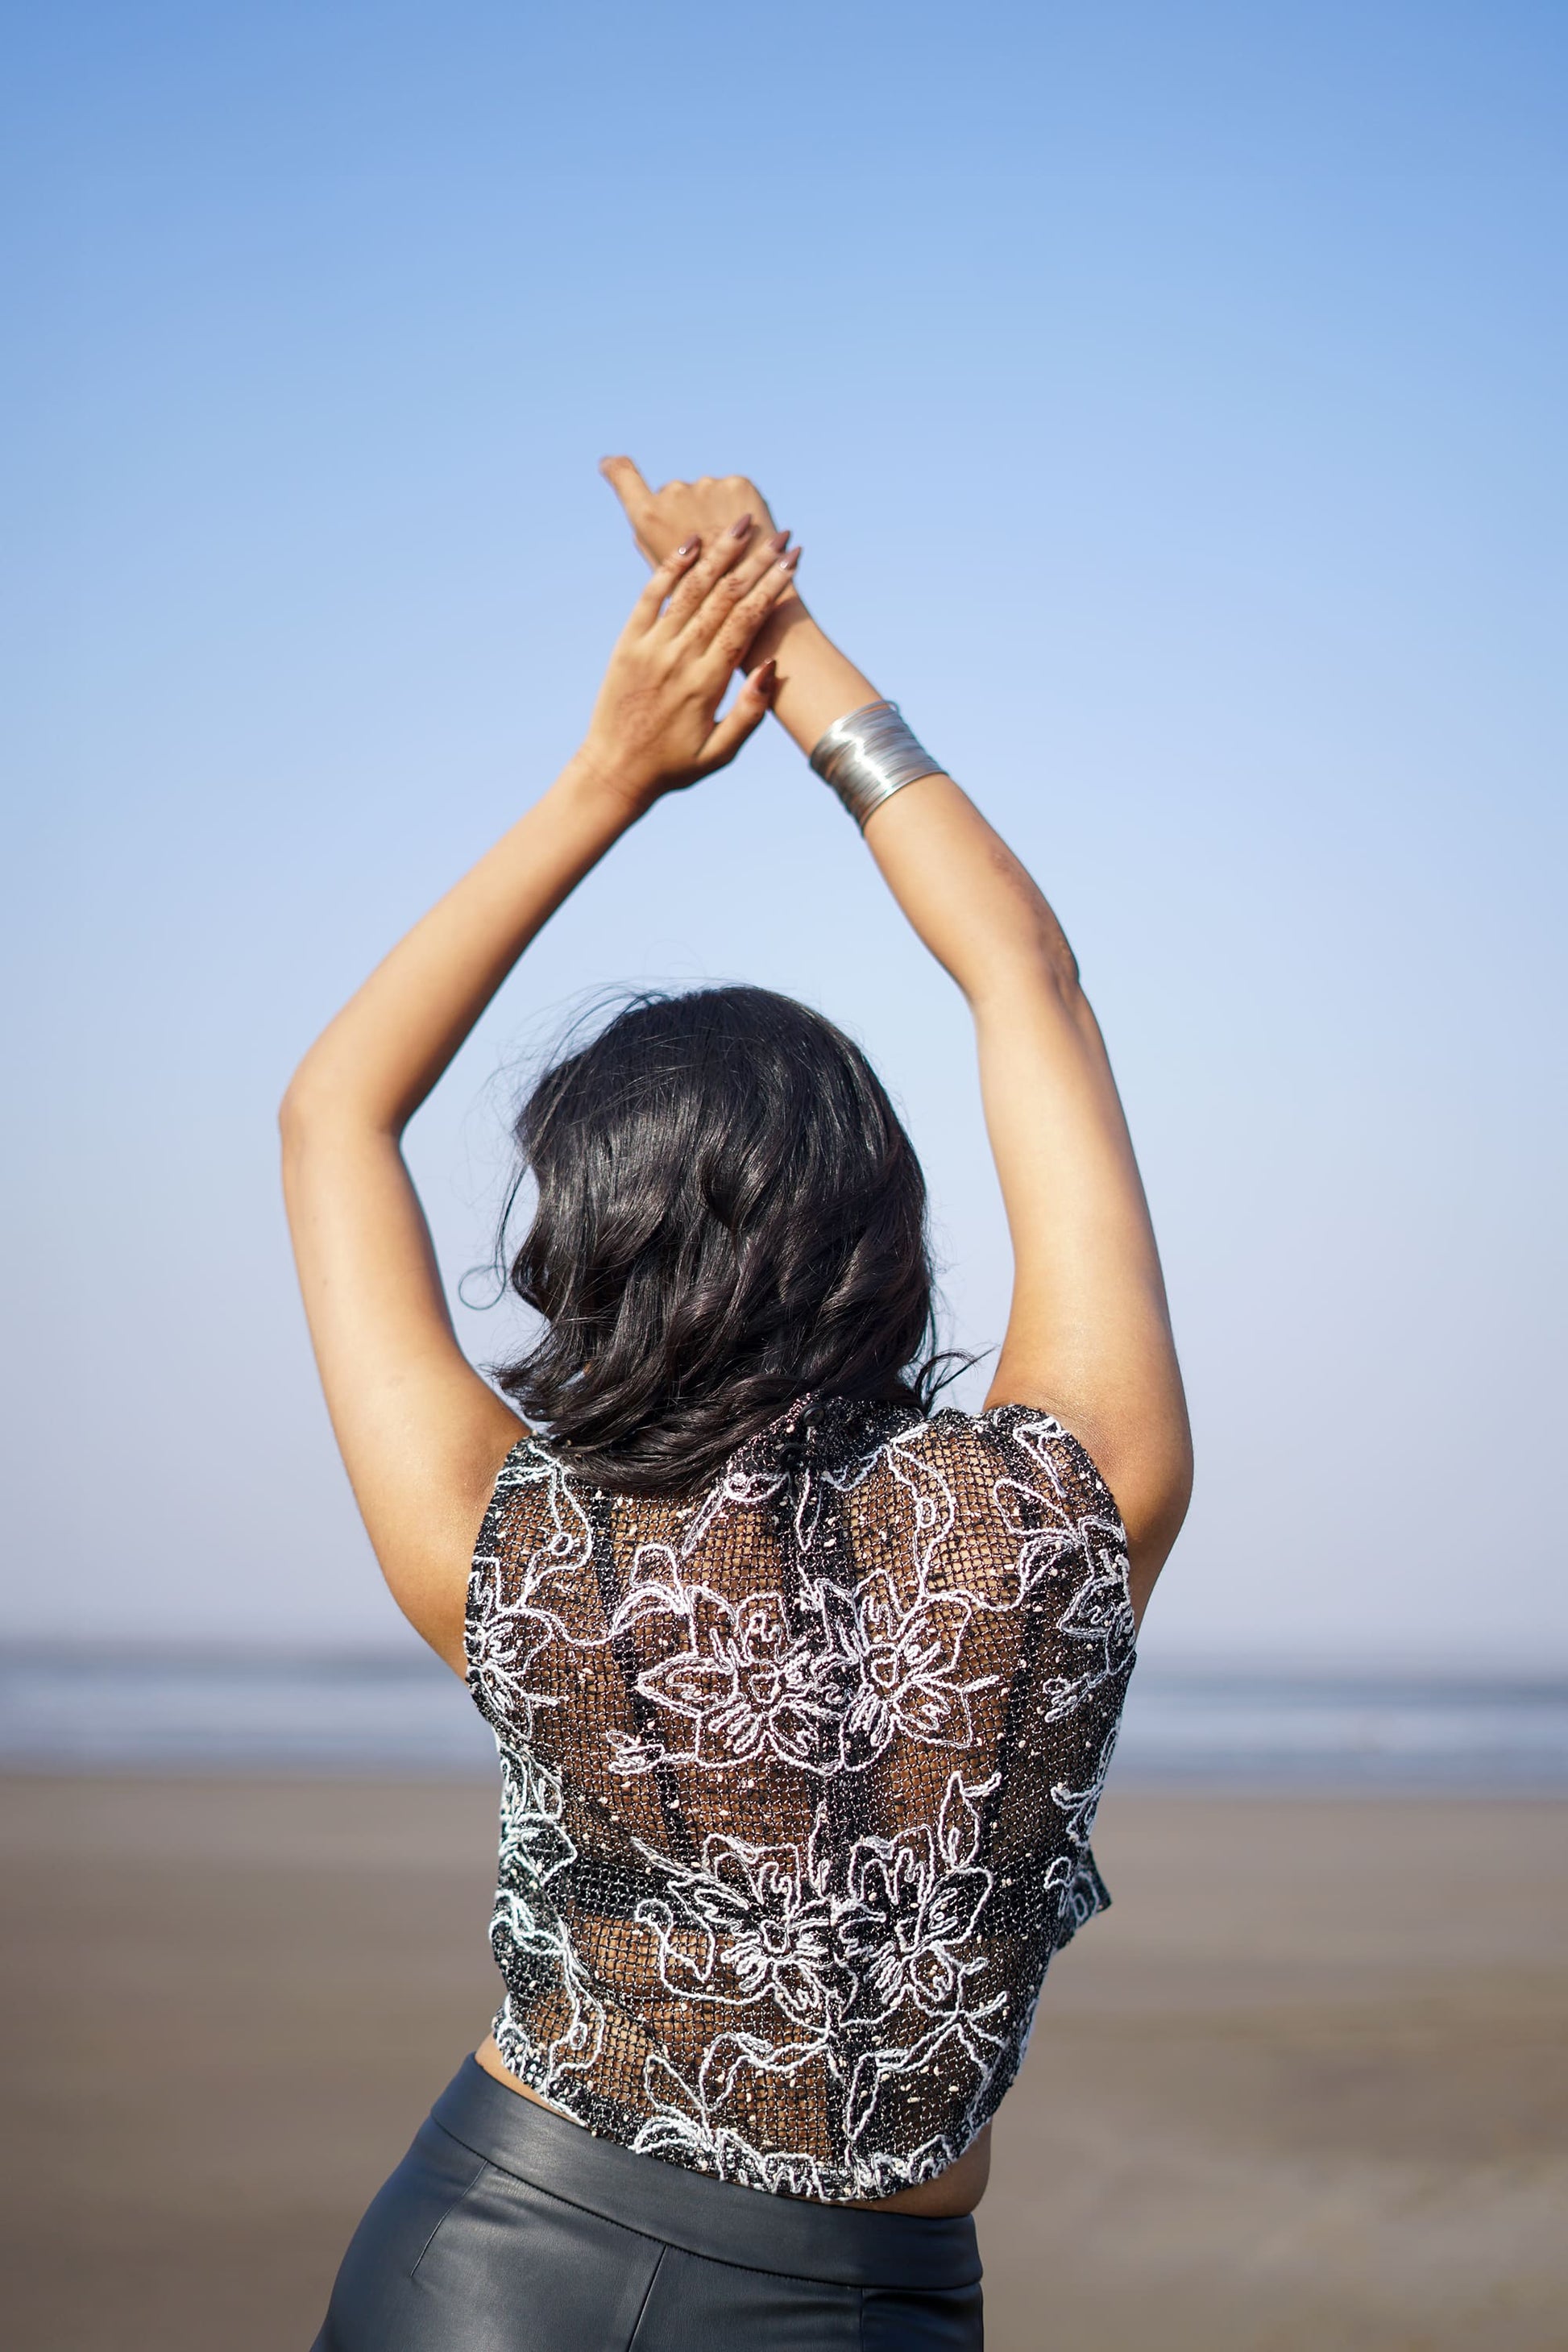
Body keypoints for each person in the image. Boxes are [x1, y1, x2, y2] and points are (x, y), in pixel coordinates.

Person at [283, 461, 1193, 2350]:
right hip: (878, 2295)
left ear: (585, 1255)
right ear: (888, 1226)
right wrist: (782, 640)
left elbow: (334, 1112)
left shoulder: (509, 1543)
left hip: (495, 2260)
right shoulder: (1068, 1501)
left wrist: (607, 774)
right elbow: (1021, 973)